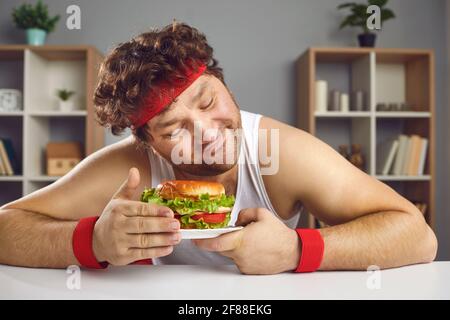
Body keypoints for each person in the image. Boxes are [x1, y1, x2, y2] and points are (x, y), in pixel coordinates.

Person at [0, 22, 437, 274]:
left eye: (209, 101)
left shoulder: (281, 152)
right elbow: (7, 226)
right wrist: (93, 240)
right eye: (173, 130)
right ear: (146, 140)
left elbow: (418, 236)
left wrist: (298, 249)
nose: (207, 133)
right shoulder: (130, 168)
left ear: (223, 82)